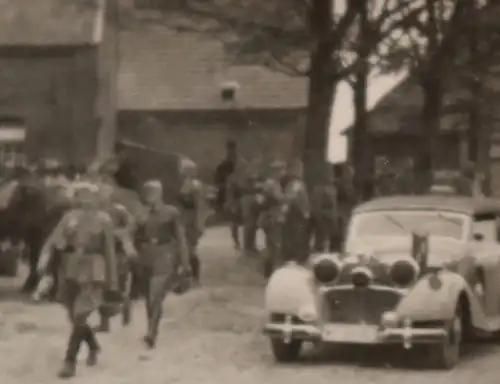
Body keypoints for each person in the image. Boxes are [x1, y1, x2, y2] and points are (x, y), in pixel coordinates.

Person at [35, 181, 119, 378]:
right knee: (74, 316)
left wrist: (113, 280)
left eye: (89, 194)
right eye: (81, 194)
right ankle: (93, 346)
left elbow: (110, 251)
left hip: (94, 268)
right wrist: (44, 259)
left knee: (81, 315)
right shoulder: (69, 218)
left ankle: (69, 361)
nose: (85, 198)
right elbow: (54, 240)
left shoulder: (103, 219)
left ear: (96, 197)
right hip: (70, 268)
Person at [135, 180, 190, 349]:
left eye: (152, 192)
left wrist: (185, 262)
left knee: (156, 294)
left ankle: (151, 333)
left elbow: (180, 238)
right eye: (147, 192)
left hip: (164, 254)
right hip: (145, 255)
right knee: (148, 297)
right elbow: (131, 234)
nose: (149, 195)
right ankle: (152, 326)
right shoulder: (140, 213)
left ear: (160, 193)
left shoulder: (171, 212)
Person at [178, 158, 206, 286]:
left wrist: (199, 224)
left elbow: (200, 205)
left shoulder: (196, 185)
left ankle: (195, 278)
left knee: (191, 249)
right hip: (183, 219)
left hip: (191, 220)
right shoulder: (184, 183)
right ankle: (187, 277)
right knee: (184, 249)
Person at [259, 161, 287, 277]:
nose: (283, 172)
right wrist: (285, 198)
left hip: (273, 217)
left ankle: (270, 271)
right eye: (281, 170)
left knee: (273, 245)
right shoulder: (271, 183)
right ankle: (269, 272)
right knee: (273, 246)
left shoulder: (275, 183)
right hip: (272, 218)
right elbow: (277, 198)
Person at [282, 159, 310, 264]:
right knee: (297, 235)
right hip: (297, 214)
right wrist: (304, 212)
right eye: (300, 169)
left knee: (296, 235)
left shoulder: (293, 184)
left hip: (296, 213)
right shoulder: (296, 184)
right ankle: (295, 257)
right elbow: (293, 198)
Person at [310, 165, 339, 252]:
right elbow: (317, 208)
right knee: (321, 242)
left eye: (332, 174)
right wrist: (320, 220)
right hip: (323, 221)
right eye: (329, 174)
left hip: (331, 221)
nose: (331, 176)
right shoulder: (319, 189)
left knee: (330, 242)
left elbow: (334, 205)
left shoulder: (333, 189)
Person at [224, 160, 245, 250]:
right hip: (236, 202)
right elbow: (229, 192)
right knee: (234, 224)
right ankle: (236, 241)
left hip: (244, 201)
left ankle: (247, 243)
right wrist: (231, 204)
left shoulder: (243, 177)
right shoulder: (232, 178)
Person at [214, 140, 237, 211]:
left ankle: (229, 206)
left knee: (228, 191)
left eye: (228, 147)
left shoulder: (232, 155)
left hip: (229, 175)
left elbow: (229, 164)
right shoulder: (230, 155)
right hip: (226, 176)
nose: (227, 148)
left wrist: (221, 164)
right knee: (227, 190)